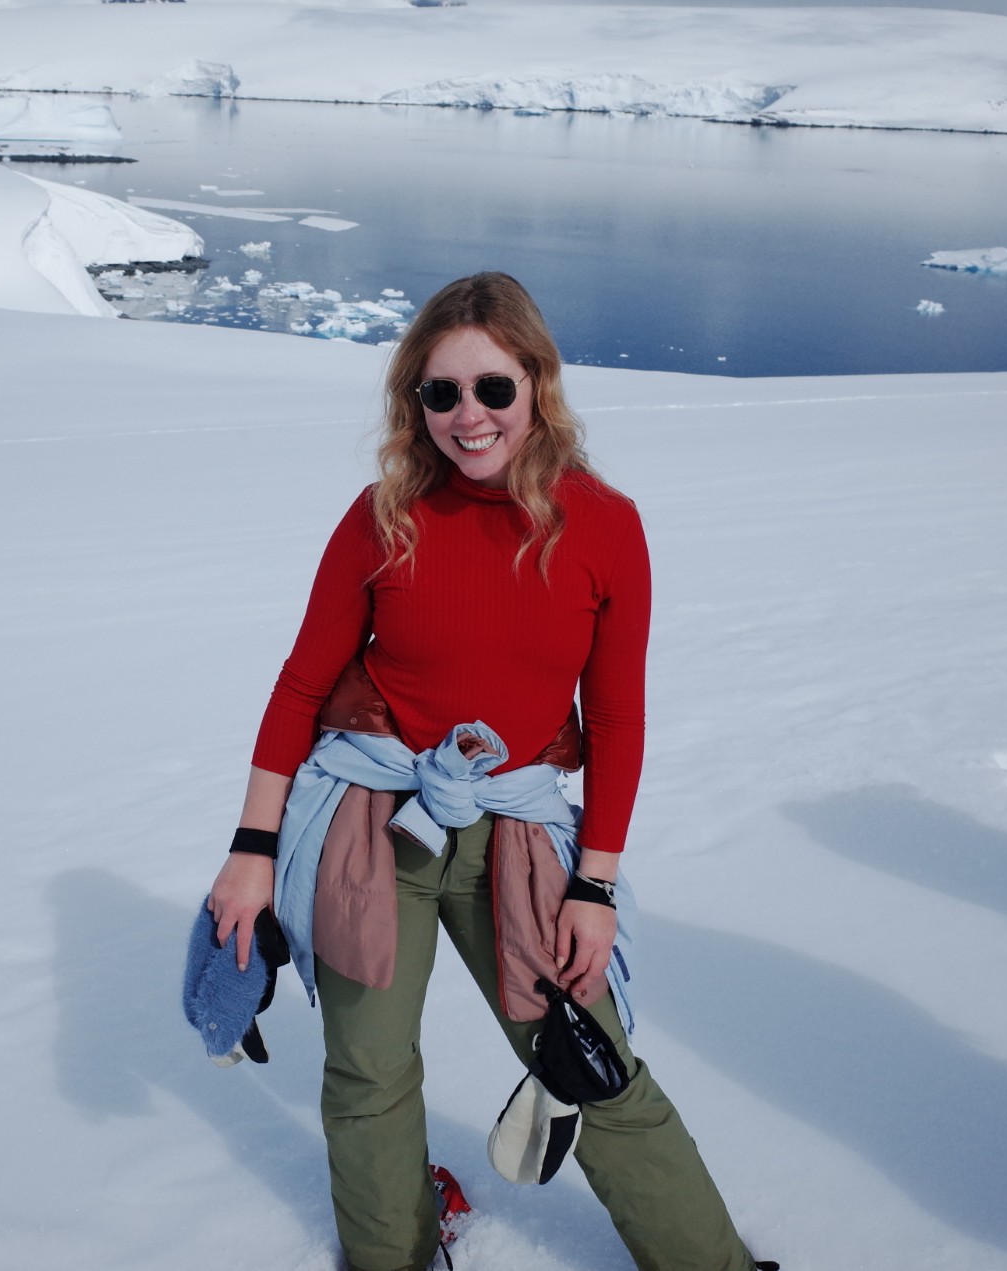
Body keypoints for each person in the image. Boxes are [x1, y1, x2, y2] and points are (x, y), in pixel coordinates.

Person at [206, 272, 763, 1271]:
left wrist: (595, 885)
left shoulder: (603, 525)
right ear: (415, 402)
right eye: (442, 392)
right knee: (367, 1070)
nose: (469, 416)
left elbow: (617, 719)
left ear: (537, 383)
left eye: (493, 388)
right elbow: (300, 687)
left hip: (516, 828)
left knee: (588, 1062)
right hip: (372, 827)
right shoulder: (384, 517)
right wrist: (252, 849)